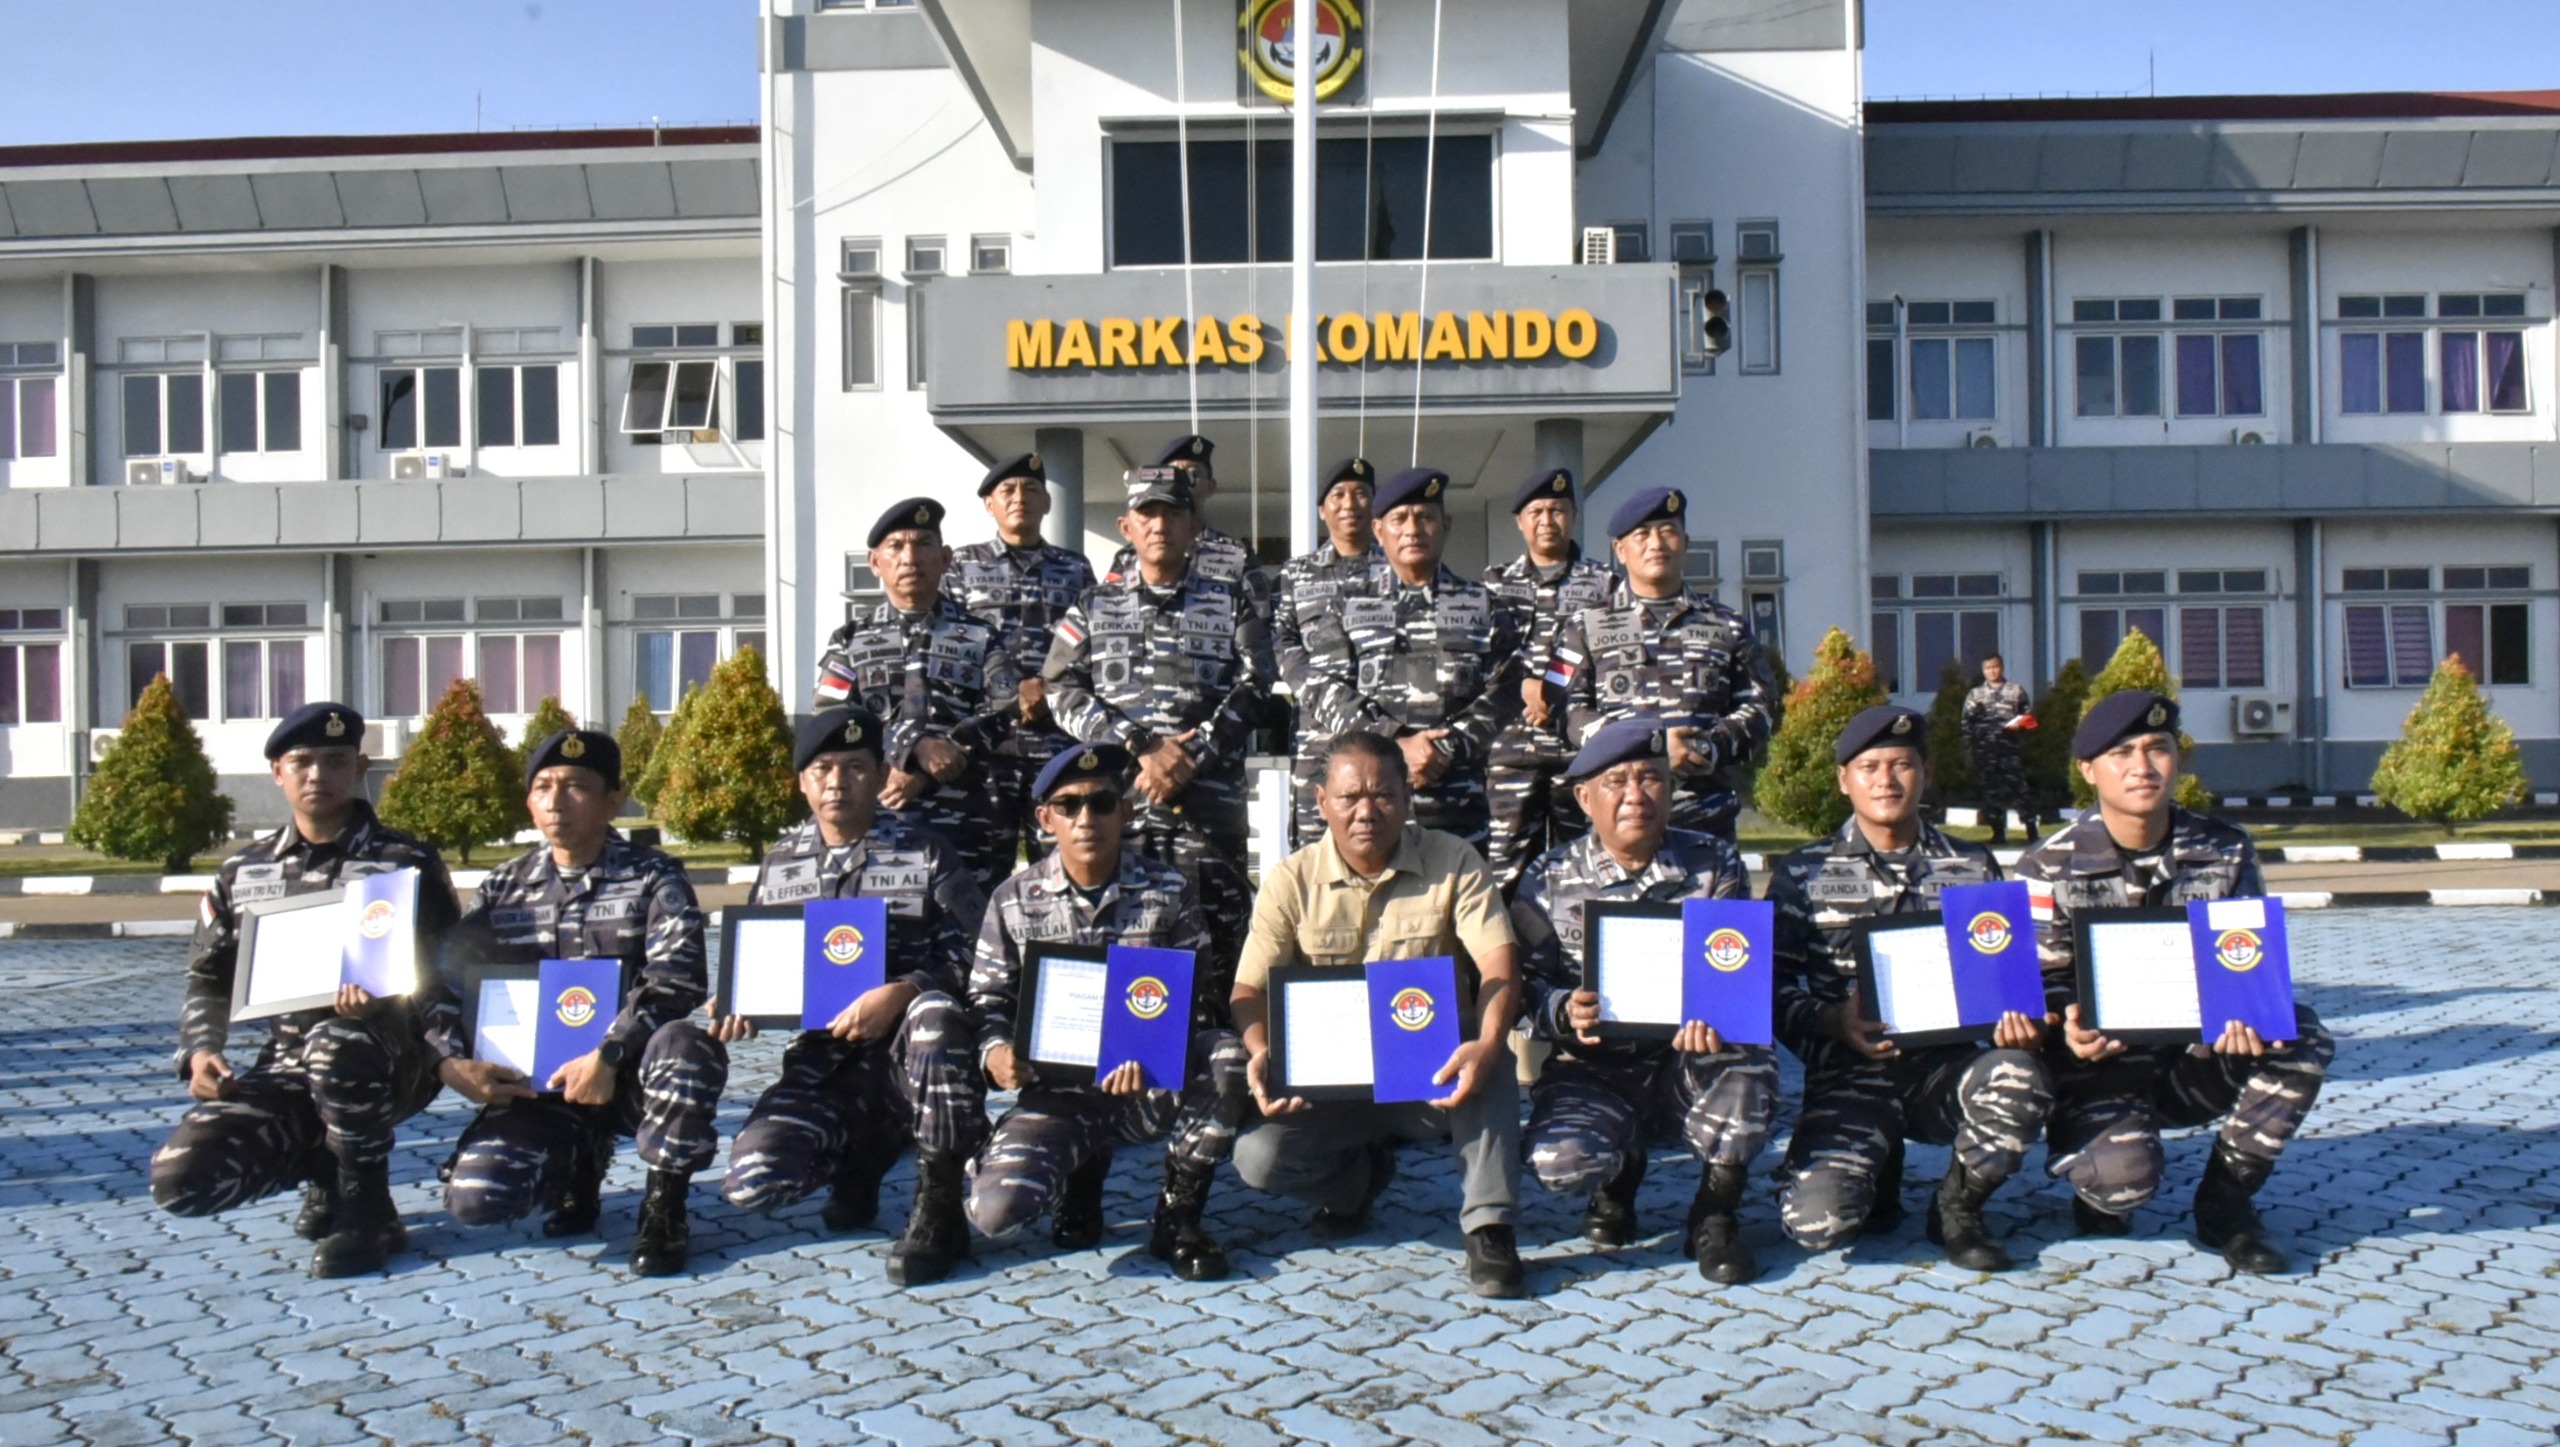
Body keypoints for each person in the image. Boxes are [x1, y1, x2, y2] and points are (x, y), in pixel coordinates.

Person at [2014, 690, 2333, 1274]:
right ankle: (2097, 1173)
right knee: (2120, 1189)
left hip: (2195, 1057)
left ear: (2177, 760)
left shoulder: (2225, 850)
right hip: (2099, 1068)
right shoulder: (2046, 866)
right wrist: (2067, 1027)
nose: (2142, 767)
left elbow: (2247, 958)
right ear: (2088, 770)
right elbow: (2040, 982)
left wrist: (2247, 1012)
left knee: (2301, 1033)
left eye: (2157, 749)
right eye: (2123, 753)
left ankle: (2226, 1203)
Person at [150, 703, 458, 1278]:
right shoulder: (244, 872)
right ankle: (323, 1169)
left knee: (339, 1042)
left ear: (361, 766)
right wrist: (199, 1050)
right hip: (287, 1066)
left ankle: (367, 1207)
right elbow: (208, 977)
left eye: (336, 761)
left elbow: (447, 972)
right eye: (302, 762)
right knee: (183, 1181)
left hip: (390, 1061)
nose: (318, 774)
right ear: (277, 772)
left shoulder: (403, 863)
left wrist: (393, 1006)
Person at [1228, 731, 1528, 1298]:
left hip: (1429, 1080)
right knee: (1258, 1157)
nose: (1366, 811)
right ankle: (1354, 1185)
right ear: (1321, 803)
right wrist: (1262, 1050)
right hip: (1331, 1085)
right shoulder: (1289, 880)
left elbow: (1498, 963)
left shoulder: (1454, 860)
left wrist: (1489, 1039)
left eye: (1383, 795)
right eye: (1350, 797)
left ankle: (1490, 1225)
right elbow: (1247, 988)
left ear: (1408, 797)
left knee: (1491, 1050)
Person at [705, 706, 988, 1286]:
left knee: (934, 1016)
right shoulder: (779, 866)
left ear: (881, 773)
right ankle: (861, 1157)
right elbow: (756, 963)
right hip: (825, 1063)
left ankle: (938, 1208)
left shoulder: (927, 851)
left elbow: (982, 953)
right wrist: (736, 999)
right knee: (753, 1183)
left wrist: (906, 989)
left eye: (855, 767)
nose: (838, 782)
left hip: (912, 1057)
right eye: (824, 768)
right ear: (801, 782)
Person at [1765, 706, 2055, 1271]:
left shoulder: (1972, 865)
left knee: (2019, 1075)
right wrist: (1831, 1022)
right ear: (1844, 780)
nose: (1886, 780)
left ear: (1925, 773)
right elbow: (1769, 988)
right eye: (1869, 766)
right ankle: (1874, 1168)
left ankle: (1957, 1206)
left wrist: (2016, 1018)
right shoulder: (1803, 873)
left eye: (1901, 764)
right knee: (1817, 1225)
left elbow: (2007, 974)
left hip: (1943, 1071)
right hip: (1851, 1075)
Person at [434, 729, 727, 1278]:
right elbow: (452, 987)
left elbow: (678, 979)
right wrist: (450, 1060)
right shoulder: (502, 889)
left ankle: (665, 1206)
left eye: (575, 786)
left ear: (613, 800)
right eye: (543, 786)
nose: (555, 800)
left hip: (627, 1074)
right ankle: (577, 1168)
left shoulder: (653, 876)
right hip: (535, 1083)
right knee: (476, 1199)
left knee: (687, 1048)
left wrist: (611, 1055)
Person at [963, 743, 1252, 1280]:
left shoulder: (1169, 892)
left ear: (1126, 810)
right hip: (1058, 1094)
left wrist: (1152, 1048)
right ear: (1044, 817)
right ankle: (1081, 1172)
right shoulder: (1012, 899)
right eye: (1069, 805)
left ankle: (1178, 1217)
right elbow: (987, 1000)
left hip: (1144, 1087)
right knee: (994, 1214)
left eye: (1101, 802)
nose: (1085, 818)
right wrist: (996, 1053)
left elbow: (1199, 999)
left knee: (1225, 1056)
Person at [1509, 717, 1777, 1282]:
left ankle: (1715, 1213)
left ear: (1672, 788)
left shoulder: (1714, 864)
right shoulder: (1549, 876)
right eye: (1618, 782)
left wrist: (1721, 1013)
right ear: (1585, 798)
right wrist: (1561, 1009)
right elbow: (1522, 987)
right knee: (1557, 1162)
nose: (1636, 796)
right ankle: (1619, 1172)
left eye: (1651, 779)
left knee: (1748, 1066)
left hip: (1689, 1058)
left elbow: (1738, 971)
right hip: (1596, 1068)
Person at [1043, 465, 1272, 975]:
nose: (1160, 524)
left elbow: (1258, 686)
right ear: (1127, 527)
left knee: (1217, 953)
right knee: (1121, 949)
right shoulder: (1093, 606)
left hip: (1207, 810)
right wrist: (1138, 744)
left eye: (1173, 513)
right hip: (1116, 811)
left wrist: (1193, 754)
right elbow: (1059, 686)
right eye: (1147, 513)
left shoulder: (1232, 602)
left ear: (1194, 527)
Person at [1296, 467, 1524, 851]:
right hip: (1369, 809)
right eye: (1400, 519)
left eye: (1425, 518)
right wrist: (1395, 743)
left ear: (1446, 526)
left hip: (1453, 806)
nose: (1413, 530)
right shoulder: (1346, 605)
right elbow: (1323, 688)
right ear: (1379, 530)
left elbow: (1507, 689)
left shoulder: (1484, 604)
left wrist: (1443, 749)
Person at [815, 496, 1026, 898]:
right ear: (875, 563)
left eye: (923, 544)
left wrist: (938, 759)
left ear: (945, 559)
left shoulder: (981, 635)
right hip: (880, 816)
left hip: (971, 823)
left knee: (974, 941)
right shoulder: (850, 642)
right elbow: (833, 718)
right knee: (883, 940)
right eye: (896, 546)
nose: (910, 557)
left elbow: (1006, 710)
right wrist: (909, 748)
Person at [1549, 486, 1777, 843]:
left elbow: (1761, 706)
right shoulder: (1583, 627)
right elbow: (1560, 707)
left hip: (1705, 818)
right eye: (1641, 535)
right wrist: (1648, 746)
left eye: (1667, 532)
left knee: (1713, 900)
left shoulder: (1726, 624)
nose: (1656, 544)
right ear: (1620, 551)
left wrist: (1706, 746)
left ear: (1685, 542)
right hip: (1619, 816)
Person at [944, 451, 1098, 871]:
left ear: (1047, 503)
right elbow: (955, 643)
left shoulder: (1074, 568)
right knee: (980, 872)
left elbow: (1089, 646)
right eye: (1007, 490)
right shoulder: (962, 565)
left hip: (1057, 743)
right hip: (985, 749)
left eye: (1031, 489)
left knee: (1061, 870)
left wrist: (1045, 689)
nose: (1019, 497)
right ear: (989, 504)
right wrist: (1015, 689)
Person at [1483, 467, 1616, 889]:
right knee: (1501, 871)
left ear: (1573, 516)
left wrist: (1552, 691)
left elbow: (1613, 658)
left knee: (1582, 868)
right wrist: (1523, 683)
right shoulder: (1493, 584)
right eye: (1536, 511)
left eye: (1557, 510)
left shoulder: (1606, 585)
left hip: (1578, 751)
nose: (1547, 520)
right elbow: (1483, 655)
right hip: (1510, 750)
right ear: (1520, 521)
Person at [1271, 456, 1385, 848]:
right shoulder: (1295, 574)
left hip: (1386, 732)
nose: (1350, 503)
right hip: (1318, 737)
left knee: (1388, 841)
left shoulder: (1398, 570)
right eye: (1338, 495)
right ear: (1322, 510)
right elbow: (1282, 645)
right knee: (1314, 852)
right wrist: (1331, 700)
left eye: (1360, 494)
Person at [1104, 434, 1257, 588]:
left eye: (1193, 475)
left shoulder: (1236, 553)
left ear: (1211, 486)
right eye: (1175, 475)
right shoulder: (1131, 554)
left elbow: (1257, 606)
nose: (1184, 482)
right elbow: (1111, 601)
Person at [1962, 654, 2036, 844]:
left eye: (1995, 667)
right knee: (1991, 793)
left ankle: (2031, 831)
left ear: (2001, 667)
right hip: (1986, 752)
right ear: (1983, 670)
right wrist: (1969, 751)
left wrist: (2020, 725)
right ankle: (1998, 833)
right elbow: (1967, 724)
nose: (1992, 672)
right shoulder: (1975, 695)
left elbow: (2029, 718)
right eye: (1987, 668)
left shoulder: (2016, 691)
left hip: (2010, 751)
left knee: (2020, 791)